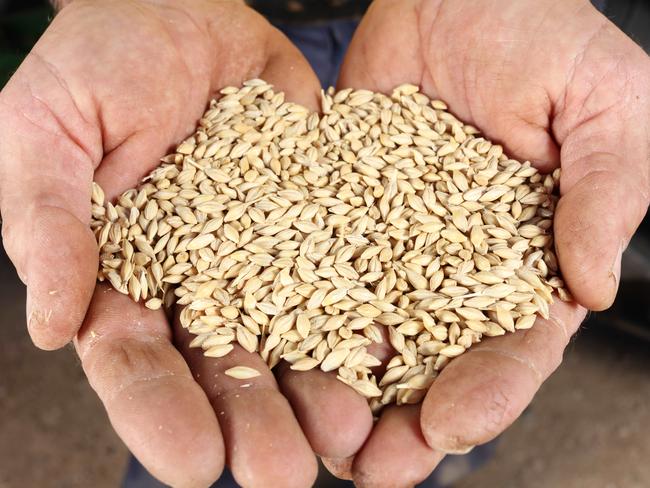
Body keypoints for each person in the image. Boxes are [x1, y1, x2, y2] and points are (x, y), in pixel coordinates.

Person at [0, 0, 648, 487]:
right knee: (207, 426)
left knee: (440, 401)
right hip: (197, 39)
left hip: (466, 50)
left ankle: (438, 460)